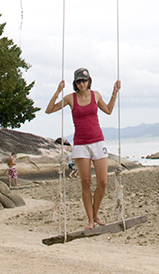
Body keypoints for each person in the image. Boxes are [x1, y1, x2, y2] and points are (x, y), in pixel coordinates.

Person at [46, 67, 121, 229]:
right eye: (78, 81)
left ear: (89, 81)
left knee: (103, 182)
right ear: (75, 83)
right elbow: (49, 110)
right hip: (80, 145)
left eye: (84, 80)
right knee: (85, 183)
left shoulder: (96, 95)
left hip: (98, 142)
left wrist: (114, 92)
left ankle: (95, 213)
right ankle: (91, 219)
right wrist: (58, 90)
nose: (82, 84)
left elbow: (108, 110)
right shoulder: (70, 98)